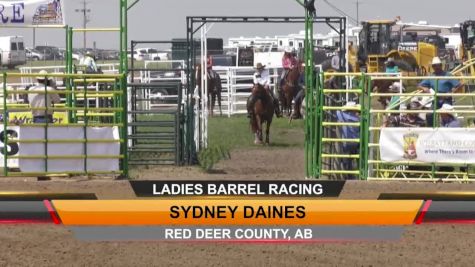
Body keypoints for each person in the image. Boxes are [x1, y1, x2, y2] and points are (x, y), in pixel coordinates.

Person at [418, 57, 463, 126]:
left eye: (438, 65)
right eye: (435, 65)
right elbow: (419, 85)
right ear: (432, 67)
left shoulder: (448, 75)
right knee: (429, 114)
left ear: (441, 65)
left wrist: (451, 93)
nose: (437, 67)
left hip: (446, 100)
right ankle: (432, 129)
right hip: (436, 100)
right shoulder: (431, 76)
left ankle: (447, 129)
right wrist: (424, 88)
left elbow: (459, 85)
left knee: (445, 115)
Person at [336, 102, 360, 180]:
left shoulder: (342, 116)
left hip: (346, 142)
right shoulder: (358, 119)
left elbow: (337, 111)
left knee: (346, 159)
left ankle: (348, 175)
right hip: (356, 142)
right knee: (356, 157)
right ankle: (357, 173)